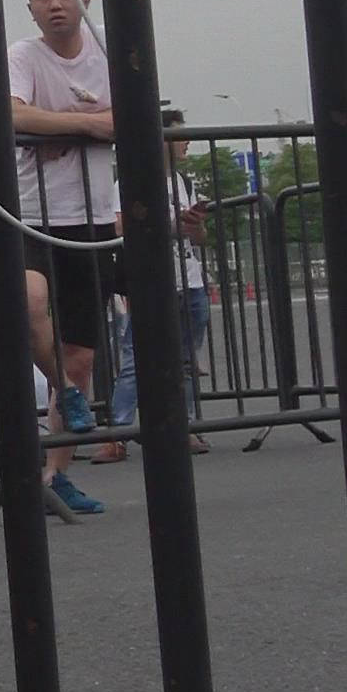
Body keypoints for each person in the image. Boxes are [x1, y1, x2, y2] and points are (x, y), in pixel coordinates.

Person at [8, 0, 119, 516]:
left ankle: (57, 474)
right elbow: (12, 115)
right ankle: (70, 395)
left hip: (93, 216)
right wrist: (89, 124)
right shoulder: (23, 56)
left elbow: (132, 117)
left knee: (80, 354)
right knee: (29, 303)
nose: (55, 5)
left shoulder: (106, 52)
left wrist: (68, 127)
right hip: (32, 214)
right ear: (30, 7)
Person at [105, 100, 211, 455]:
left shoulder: (184, 181)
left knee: (185, 360)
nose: (186, 142)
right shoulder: (130, 178)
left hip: (189, 278)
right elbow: (119, 225)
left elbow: (199, 239)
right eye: (179, 136)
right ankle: (117, 433)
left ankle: (185, 426)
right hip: (152, 280)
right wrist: (171, 224)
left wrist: (195, 226)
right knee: (136, 358)